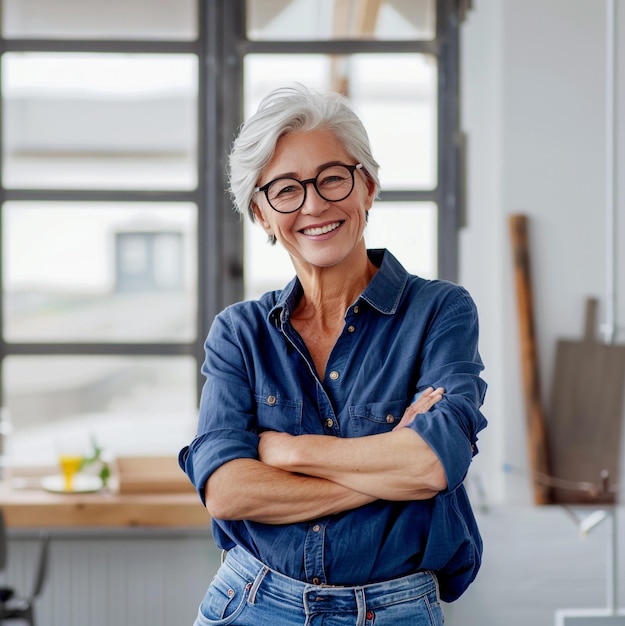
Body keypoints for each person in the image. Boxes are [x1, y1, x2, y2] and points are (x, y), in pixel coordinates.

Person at [179, 83, 488, 626]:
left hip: (393, 611)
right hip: (251, 601)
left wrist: (288, 452)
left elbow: (433, 464)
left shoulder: (441, 311)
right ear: (261, 214)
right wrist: (386, 461)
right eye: (286, 190)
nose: (315, 204)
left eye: (331, 178)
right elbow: (227, 491)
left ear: (366, 186)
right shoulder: (239, 333)